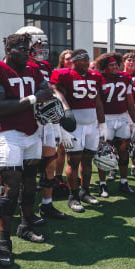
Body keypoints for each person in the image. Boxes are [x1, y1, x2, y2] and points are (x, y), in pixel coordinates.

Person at [0, 32, 52, 267]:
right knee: (10, 188)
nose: (27, 53)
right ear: (9, 50)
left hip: (33, 132)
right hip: (8, 134)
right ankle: (3, 242)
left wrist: (41, 99)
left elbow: (47, 92)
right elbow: (0, 107)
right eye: (22, 49)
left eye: (28, 48)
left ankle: (26, 225)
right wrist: (33, 99)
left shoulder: (34, 70)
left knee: (31, 183)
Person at [15, 26, 67, 220]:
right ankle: (22, 207)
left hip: (45, 121)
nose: (41, 49)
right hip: (25, 121)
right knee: (25, 168)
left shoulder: (44, 66)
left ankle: (47, 204)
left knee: (50, 162)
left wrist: (58, 119)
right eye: (37, 45)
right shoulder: (15, 65)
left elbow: (51, 91)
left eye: (41, 45)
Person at [50, 49, 105, 212]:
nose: (87, 63)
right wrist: (66, 112)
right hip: (74, 125)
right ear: (74, 61)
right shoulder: (64, 74)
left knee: (88, 160)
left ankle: (85, 192)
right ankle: (72, 196)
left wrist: (102, 124)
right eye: (83, 60)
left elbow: (98, 101)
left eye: (88, 59)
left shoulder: (95, 77)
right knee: (73, 160)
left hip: (91, 123)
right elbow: (56, 91)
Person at [95, 52, 135, 197]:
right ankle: (102, 184)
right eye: (111, 65)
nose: (115, 67)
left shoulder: (125, 78)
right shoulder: (99, 78)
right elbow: (98, 103)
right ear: (104, 67)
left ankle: (124, 182)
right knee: (104, 151)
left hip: (122, 117)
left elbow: (130, 102)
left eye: (116, 65)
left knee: (124, 151)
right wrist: (101, 124)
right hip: (106, 118)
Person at [53, 49, 74, 197]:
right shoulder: (58, 74)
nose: (70, 61)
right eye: (67, 59)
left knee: (74, 149)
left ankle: (71, 177)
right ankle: (58, 176)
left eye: (72, 58)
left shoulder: (80, 75)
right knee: (62, 147)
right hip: (61, 114)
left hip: (78, 114)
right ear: (62, 61)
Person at [122, 52, 135, 179]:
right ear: (124, 62)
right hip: (121, 109)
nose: (131, 62)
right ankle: (114, 166)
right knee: (121, 141)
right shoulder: (119, 75)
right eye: (129, 60)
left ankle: (134, 167)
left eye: (133, 61)